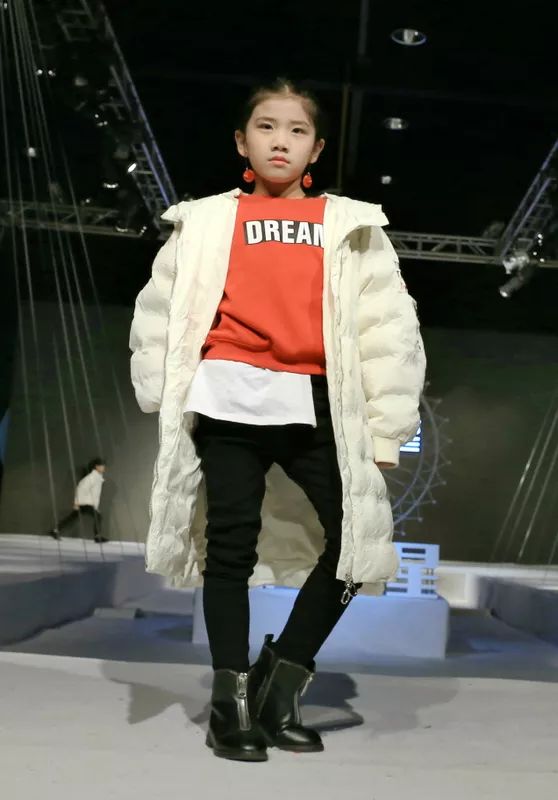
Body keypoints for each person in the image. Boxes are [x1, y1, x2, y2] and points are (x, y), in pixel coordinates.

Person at [129, 78, 426, 763]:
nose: (280, 141)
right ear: (243, 141)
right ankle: (229, 702)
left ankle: (280, 683)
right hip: (227, 394)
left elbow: (388, 330)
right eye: (266, 127)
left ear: (316, 148)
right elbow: (160, 310)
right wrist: (162, 395)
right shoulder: (206, 220)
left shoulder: (350, 224)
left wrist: (385, 429)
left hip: (317, 400)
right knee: (229, 547)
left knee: (357, 544)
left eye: (297, 130)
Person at [48, 457, 108, 543]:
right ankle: (97, 536)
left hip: (86, 503)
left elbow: (95, 494)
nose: (104, 467)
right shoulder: (91, 477)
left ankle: (55, 530)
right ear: (96, 467)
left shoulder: (97, 477)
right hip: (85, 503)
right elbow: (80, 488)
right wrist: (77, 503)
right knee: (98, 516)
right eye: (102, 466)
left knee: (72, 518)